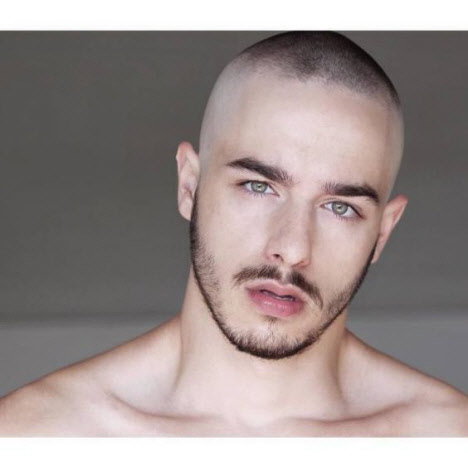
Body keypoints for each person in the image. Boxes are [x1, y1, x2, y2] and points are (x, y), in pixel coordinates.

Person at [0, 31, 466, 437]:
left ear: (383, 232)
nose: (292, 249)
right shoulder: (35, 434)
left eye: (340, 207)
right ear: (189, 185)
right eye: (258, 186)